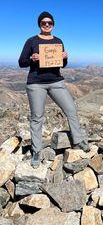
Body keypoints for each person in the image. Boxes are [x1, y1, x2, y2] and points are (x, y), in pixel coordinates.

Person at [18, 11, 90, 168]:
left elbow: (62, 64)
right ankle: (36, 151)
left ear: (53, 24)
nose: (46, 25)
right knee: (37, 117)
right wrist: (31, 59)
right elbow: (21, 62)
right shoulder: (31, 41)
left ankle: (78, 140)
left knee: (71, 110)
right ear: (39, 24)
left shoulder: (58, 41)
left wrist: (64, 57)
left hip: (56, 81)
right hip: (36, 83)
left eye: (49, 23)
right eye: (43, 22)